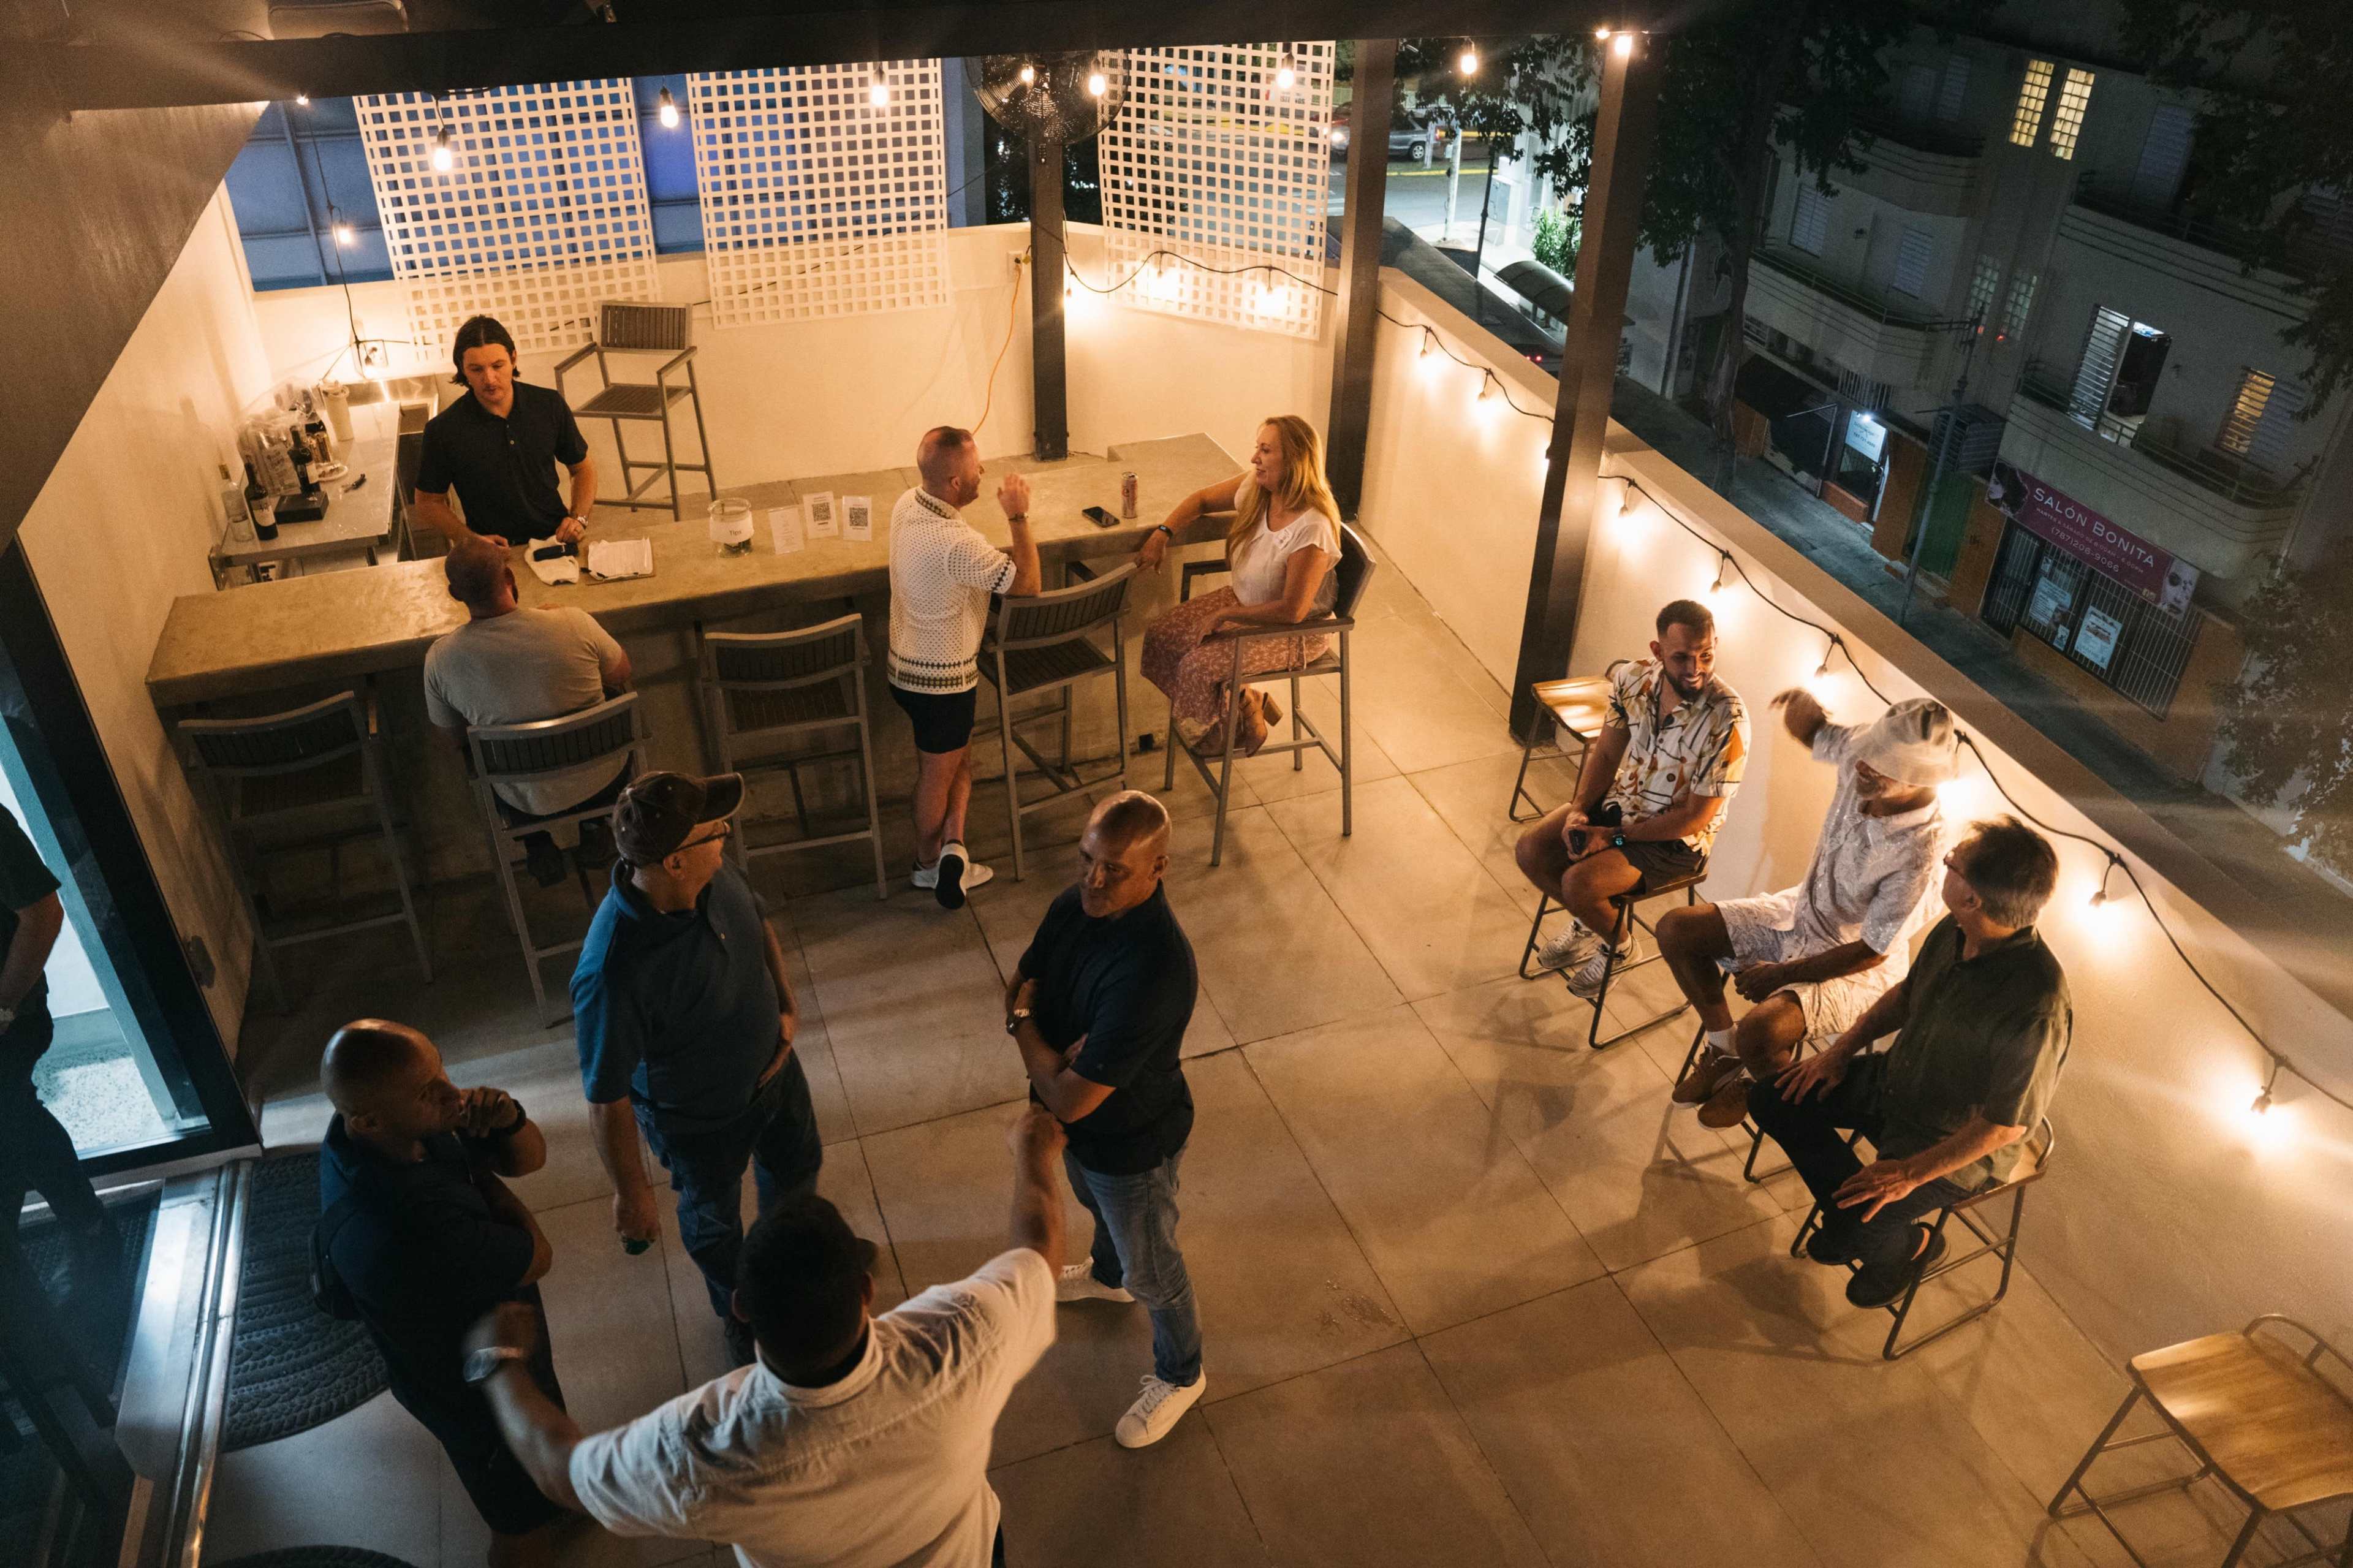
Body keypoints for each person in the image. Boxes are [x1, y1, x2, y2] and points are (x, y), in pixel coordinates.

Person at [462, 1108, 1067, 1567]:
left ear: (742, 1308)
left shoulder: (701, 1451)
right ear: (864, 1291)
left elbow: (560, 1471)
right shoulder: (964, 1340)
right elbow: (1037, 1247)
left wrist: (499, 1362)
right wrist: (1032, 1148)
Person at [1750, 816, 2071, 1308]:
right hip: (1895, 1086)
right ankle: (1855, 1220)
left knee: (1846, 1236)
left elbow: (2003, 1127)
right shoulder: (1956, 927)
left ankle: (1913, 1243)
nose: (1945, 864)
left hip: (1951, 1140)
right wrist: (1838, 1053)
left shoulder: (2036, 1003)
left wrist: (1909, 1174)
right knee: (1773, 1098)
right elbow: (1903, 998)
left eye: (1952, 863)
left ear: (1972, 897)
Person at [571, 771, 820, 1367]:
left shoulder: (711, 873)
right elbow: (606, 1099)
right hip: (701, 1122)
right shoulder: (613, 971)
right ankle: (743, 1311)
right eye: (715, 832)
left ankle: (788, 1272)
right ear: (675, 862)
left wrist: (785, 1007)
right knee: (715, 1223)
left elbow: (758, 923)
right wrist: (632, 1196)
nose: (727, 834)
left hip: (776, 1074)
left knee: (797, 1167)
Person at [316, 1019, 568, 1567]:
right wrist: (481, 1176)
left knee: (540, 1446)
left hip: (491, 1336)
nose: (452, 1094)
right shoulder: (411, 1222)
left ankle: (560, 1489)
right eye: (428, 1090)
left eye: (442, 1071)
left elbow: (530, 1158)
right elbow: (539, 1254)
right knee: (517, 1523)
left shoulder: (374, 1132)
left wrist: (509, 1120)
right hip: (469, 1383)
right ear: (369, 1118)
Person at [1004, 790, 1205, 1449]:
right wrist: (1045, 1048)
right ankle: (1108, 1276)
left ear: (1159, 868)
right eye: (1088, 859)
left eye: (1114, 869)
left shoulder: (1155, 967)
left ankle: (1182, 1373)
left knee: (1156, 1264)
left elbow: (1068, 1094)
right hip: (1088, 1134)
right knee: (1095, 1205)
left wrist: (1027, 1027)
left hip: (1134, 1142)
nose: (1094, 880)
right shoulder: (1074, 905)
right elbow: (1019, 983)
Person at [1657, 692, 1955, 1127]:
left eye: (1880, 766)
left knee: (1762, 1031)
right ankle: (1724, 1048)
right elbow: (1820, 734)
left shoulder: (1923, 851)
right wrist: (1803, 712)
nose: (1863, 766)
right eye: (1868, 753)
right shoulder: (1864, 757)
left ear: (1918, 779)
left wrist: (1782, 975)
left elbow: (1872, 951)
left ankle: (1761, 1090)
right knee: (1676, 930)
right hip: (1800, 912)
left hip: (1858, 964)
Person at [1514, 600, 1750, 996]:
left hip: (1675, 841)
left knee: (1578, 884)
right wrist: (1578, 810)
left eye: (1706, 655)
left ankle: (1619, 946)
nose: (1695, 669)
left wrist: (1612, 838)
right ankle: (1592, 923)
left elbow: (1693, 819)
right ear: (1658, 652)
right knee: (1531, 849)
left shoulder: (1727, 719)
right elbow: (1606, 753)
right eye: (1681, 658)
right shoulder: (1633, 679)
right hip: (1623, 805)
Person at [885, 425, 1041, 909]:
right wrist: (1018, 516)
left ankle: (954, 847)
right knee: (938, 776)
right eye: (976, 470)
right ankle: (927, 864)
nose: (984, 474)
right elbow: (1028, 584)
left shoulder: (907, 503)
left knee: (956, 764)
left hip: (904, 665)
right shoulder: (959, 544)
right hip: (943, 684)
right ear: (954, 484)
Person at [423, 534, 634, 886]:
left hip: (523, 801)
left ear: (455, 595)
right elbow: (622, 672)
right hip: (603, 780)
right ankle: (596, 824)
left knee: (480, 752)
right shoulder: (572, 623)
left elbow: (453, 739)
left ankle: (537, 843)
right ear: (510, 579)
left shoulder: (441, 660)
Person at [1136, 414, 1341, 758]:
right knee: (1162, 635)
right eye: (1257, 448)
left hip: (1294, 631)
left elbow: (1293, 611)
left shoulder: (1312, 528)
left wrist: (1227, 614)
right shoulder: (1259, 489)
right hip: (1245, 603)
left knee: (1198, 666)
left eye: (1265, 451)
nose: (1254, 459)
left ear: (1293, 460)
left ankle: (1225, 725)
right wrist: (1163, 533)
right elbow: (1201, 500)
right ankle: (1249, 701)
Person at [0, 806, 116, 1274]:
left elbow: (44, 914)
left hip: (11, 1019)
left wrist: (4, 1006)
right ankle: (89, 1230)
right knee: (18, 1124)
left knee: (14, 1123)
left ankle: (86, 1236)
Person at [414, 315, 597, 548]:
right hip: (493, 550)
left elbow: (582, 468)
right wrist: (468, 539)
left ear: (513, 359)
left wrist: (578, 519)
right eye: (476, 369)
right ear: (462, 369)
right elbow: (428, 502)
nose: (489, 379)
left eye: (497, 366)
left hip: (555, 539)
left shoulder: (548, 405)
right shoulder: (443, 430)